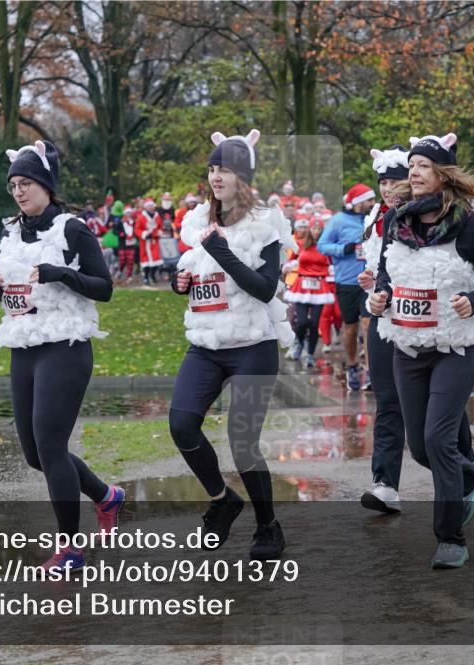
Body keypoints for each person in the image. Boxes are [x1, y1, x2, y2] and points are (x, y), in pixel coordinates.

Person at [0, 140, 123, 571]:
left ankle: (70, 549)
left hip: (65, 347)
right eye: (13, 186)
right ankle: (106, 496)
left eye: (26, 183)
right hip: (24, 347)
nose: (18, 192)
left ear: (45, 185)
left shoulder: (71, 229)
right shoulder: (10, 233)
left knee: (50, 445)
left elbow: (104, 287)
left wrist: (60, 273)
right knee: (33, 454)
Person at [368, 133, 474, 569]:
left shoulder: (470, 224)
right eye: (411, 165)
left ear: (442, 174)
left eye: (423, 165)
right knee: (420, 448)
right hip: (408, 345)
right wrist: (380, 296)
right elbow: (388, 275)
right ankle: (469, 474)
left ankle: (450, 538)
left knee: (438, 439)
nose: (413, 172)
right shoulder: (396, 221)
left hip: (455, 345)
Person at [169, 129, 296, 560]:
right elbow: (193, 270)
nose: (216, 176)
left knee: (242, 442)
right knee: (181, 425)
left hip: (252, 346)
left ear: (244, 177)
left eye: (225, 169)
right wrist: (179, 282)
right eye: (212, 168)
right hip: (206, 345)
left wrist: (223, 253)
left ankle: (268, 525)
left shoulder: (265, 223)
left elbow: (264, 288)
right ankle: (222, 500)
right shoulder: (197, 220)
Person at [356, 145, 410, 513]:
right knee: (387, 399)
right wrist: (371, 280)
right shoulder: (376, 215)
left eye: (394, 181)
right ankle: (385, 483)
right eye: (383, 182)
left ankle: (465, 468)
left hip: (423, 320)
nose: (388, 189)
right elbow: (379, 266)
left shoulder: (430, 215)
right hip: (383, 314)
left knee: (429, 406)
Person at [319, 183, 376, 390]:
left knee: (368, 325)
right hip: (347, 282)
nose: (373, 203)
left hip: (369, 281)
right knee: (351, 328)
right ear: (358, 202)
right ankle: (352, 365)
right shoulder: (338, 220)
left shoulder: (373, 218)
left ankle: (370, 371)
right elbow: (322, 245)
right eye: (369, 200)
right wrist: (344, 248)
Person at [285, 219, 334, 366]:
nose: (316, 231)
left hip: (319, 287)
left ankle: (310, 354)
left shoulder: (326, 247)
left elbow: (333, 264)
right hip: (302, 286)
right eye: (314, 228)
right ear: (309, 230)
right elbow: (292, 260)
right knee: (301, 322)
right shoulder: (301, 245)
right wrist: (288, 267)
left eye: (319, 229)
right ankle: (299, 342)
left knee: (314, 324)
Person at [137, 199, 163, 285]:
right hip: (145, 242)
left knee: (156, 260)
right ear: (146, 207)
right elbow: (137, 229)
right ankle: (146, 277)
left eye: (152, 206)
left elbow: (160, 227)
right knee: (146, 261)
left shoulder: (157, 216)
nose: (150, 208)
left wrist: (158, 233)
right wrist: (144, 234)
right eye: (149, 206)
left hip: (154, 241)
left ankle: (152, 275)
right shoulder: (141, 217)